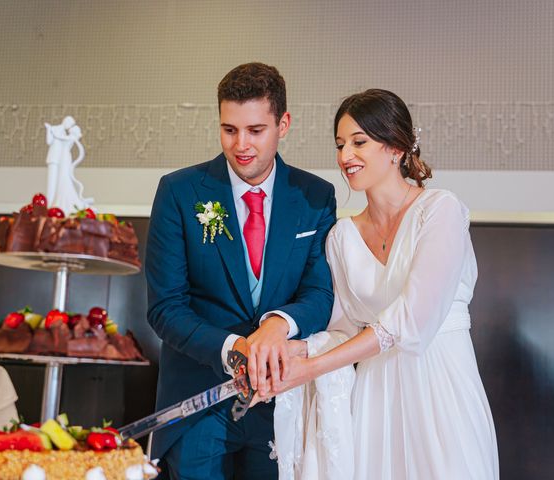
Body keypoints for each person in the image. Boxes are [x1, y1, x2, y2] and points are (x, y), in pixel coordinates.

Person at [267, 89, 499, 479]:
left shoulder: (440, 211)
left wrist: (313, 368)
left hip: (440, 386)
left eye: (359, 142)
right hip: (374, 396)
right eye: (340, 145)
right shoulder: (341, 236)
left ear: (395, 147)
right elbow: (341, 330)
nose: (345, 157)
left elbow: (412, 320)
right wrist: (296, 352)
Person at [146, 62, 337, 479]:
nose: (241, 144)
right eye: (229, 129)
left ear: (283, 124)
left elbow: (320, 294)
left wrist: (276, 325)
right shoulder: (179, 192)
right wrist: (234, 347)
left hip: (279, 401)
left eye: (255, 130)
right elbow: (165, 308)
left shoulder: (316, 197)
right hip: (199, 400)